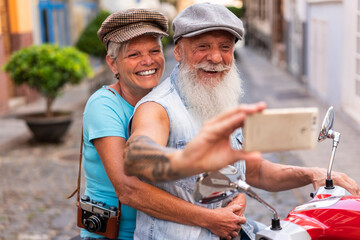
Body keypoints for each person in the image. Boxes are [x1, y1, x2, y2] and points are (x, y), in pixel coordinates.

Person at [124, 3, 360, 240]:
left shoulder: (219, 98)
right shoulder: (158, 107)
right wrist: (184, 161)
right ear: (178, 51)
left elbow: (254, 171)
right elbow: (136, 154)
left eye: (225, 47)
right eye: (202, 47)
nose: (216, 57)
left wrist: (312, 173)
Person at [81, 8, 264, 240]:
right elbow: (128, 189)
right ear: (113, 64)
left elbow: (192, 183)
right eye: (134, 54)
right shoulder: (104, 106)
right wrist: (209, 217)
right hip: (117, 234)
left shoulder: (177, 99)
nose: (147, 61)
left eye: (154, 51)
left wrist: (232, 196)